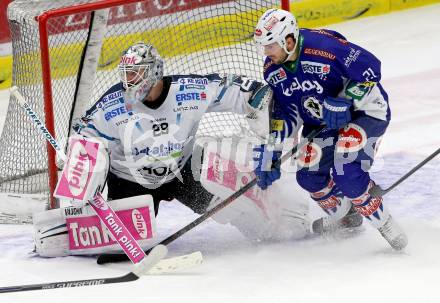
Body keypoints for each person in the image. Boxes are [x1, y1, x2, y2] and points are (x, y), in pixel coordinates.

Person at [252, 8, 408, 250]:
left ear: (289, 40)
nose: (266, 52)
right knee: (309, 177)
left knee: (347, 172)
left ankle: (386, 224)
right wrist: (272, 149)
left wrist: (347, 98)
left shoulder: (324, 47)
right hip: (324, 124)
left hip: (364, 113)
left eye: (270, 45)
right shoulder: (273, 70)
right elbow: (286, 111)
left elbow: (371, 69)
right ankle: (348, 217)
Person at [72, 42, 272, 217]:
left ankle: (270, 221)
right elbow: (85, 133)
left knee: (227, 209)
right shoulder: (113, 103)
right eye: (126, 74)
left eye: (135, 73)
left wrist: (258, 98)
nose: (129, 81)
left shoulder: (187, 91)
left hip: (182, 169)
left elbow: (234, 89)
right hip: (130, 181)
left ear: (155, 71)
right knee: (126, 247)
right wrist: (80, 162)